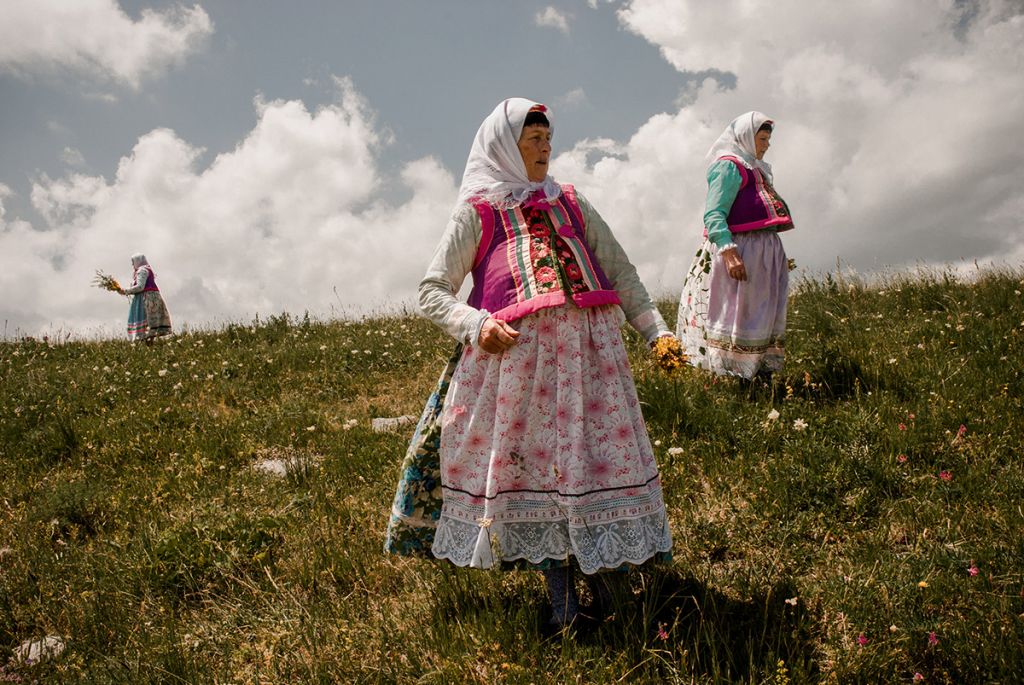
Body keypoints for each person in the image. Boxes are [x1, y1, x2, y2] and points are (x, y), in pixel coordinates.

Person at [402, 98, 676, 633]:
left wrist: (656, 332)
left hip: (592, 367)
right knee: (540, 473)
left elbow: (620, 270)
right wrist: (477, 325)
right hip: (517, 374)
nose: (545, 148)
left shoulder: (570, 202)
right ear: (507, 145)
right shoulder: (479, 212)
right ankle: (563, 607)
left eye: (548, 139)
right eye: (533, 140)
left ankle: (606, 583)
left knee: (592, 465)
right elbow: (431, 291)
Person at [676, 111, 794, 380]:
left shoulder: (757, 170)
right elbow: (714, 213)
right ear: (746, 138)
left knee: (761, 314)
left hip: (762, 254)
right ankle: (732, 376)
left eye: (767, 139)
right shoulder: (729, 167)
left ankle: (759, 375)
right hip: (740, 251)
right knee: (736, 314)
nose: (766, 145)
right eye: (762, 138)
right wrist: (729, 253)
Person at [119, 253, 171, 343]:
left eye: (133, 262)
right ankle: (149, 343)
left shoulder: (142, 270)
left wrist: (125, 291)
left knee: (145, 322)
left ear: (137, 261)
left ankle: (144, 342)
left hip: (145, 299)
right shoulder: (147, 269)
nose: (132, 264)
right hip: (153, 297)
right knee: (150, 324)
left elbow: (140, 287)